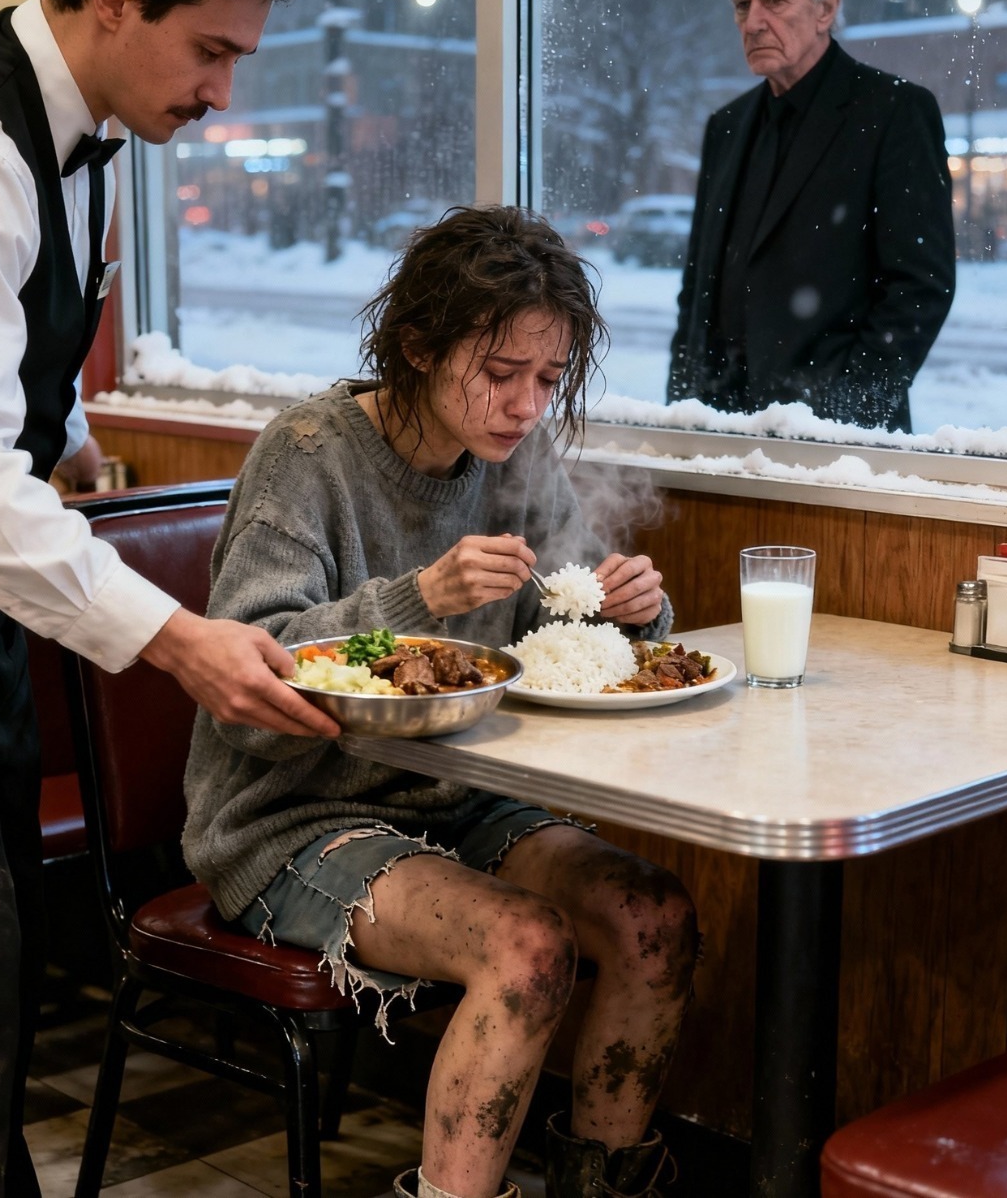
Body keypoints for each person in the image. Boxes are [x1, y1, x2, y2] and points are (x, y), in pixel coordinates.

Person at [0, 0, 341, 1196]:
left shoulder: (87, 137)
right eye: (210, 50)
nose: (223, 93)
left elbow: (6, 368)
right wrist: (175, 636)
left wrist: (69, 439)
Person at [183, 204, 700, 1198]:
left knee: (653, 917)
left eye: (548, 379)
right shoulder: (307, 455)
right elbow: (245, 693)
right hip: (294, 816)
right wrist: (419, 599)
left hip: (459, 799)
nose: (525, 405)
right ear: (418, 346)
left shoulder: (515, 459)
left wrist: (633, 612)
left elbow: (566, 618)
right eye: (501, 373)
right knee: (528, 947)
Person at [666, 0, 956, 432]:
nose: (753, 22)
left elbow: (919, 289)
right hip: (718, 428)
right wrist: (682, 411)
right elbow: (698, 289)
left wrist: (844, 417)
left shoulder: (894, 112)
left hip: (835, 442)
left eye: (774, 0)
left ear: (826, 8)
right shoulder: (726, 126)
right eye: (742, 5)